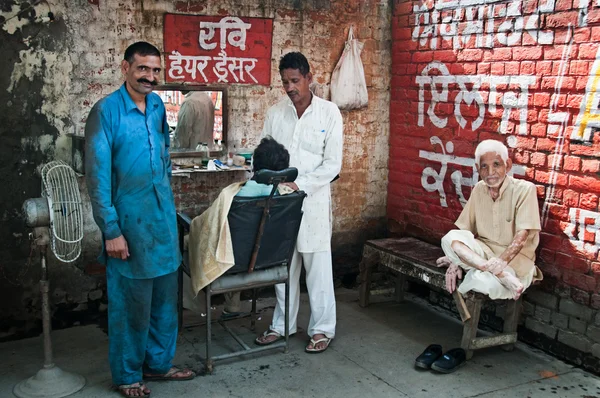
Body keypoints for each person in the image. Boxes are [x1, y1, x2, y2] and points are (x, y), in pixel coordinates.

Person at [85, 41, 194, 398]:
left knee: (165, 299)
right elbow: (97, 178)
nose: (150, 76)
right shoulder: (106, 112)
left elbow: (162, 156)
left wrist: (168, 206)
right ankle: (128, 374)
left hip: (161, 220)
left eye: (155, 70)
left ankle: (159, 365)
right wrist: (111, 230)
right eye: (143, 69)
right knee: (131, 304)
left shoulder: (158, 107)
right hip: (128, 225)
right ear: (125, 68)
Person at [255, 51, 343, 354]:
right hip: (280, 203)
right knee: (283, 267)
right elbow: (264, 153)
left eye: (295, 80)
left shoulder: (329, 113)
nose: (290, 87)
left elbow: (333, 165)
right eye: (285, 82)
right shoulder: (276, 113)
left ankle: (322, 329)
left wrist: (299, 184)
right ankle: (282, 326)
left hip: (313, 203)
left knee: (317, 269)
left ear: (309, 77)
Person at [437, 139, 543, 300]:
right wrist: (455, 262)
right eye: (484, 166)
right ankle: (499, 275)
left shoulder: (525, 189)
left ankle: (487, 270)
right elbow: (463, 232)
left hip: (515, 263)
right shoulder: (479, 189)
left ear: (507, 165)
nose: (490, 172)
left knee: (482, 283)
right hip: (485, 255)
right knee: (449, 238)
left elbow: (522, 236)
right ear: (478, 168)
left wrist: (500, 262)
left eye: (496, 165)